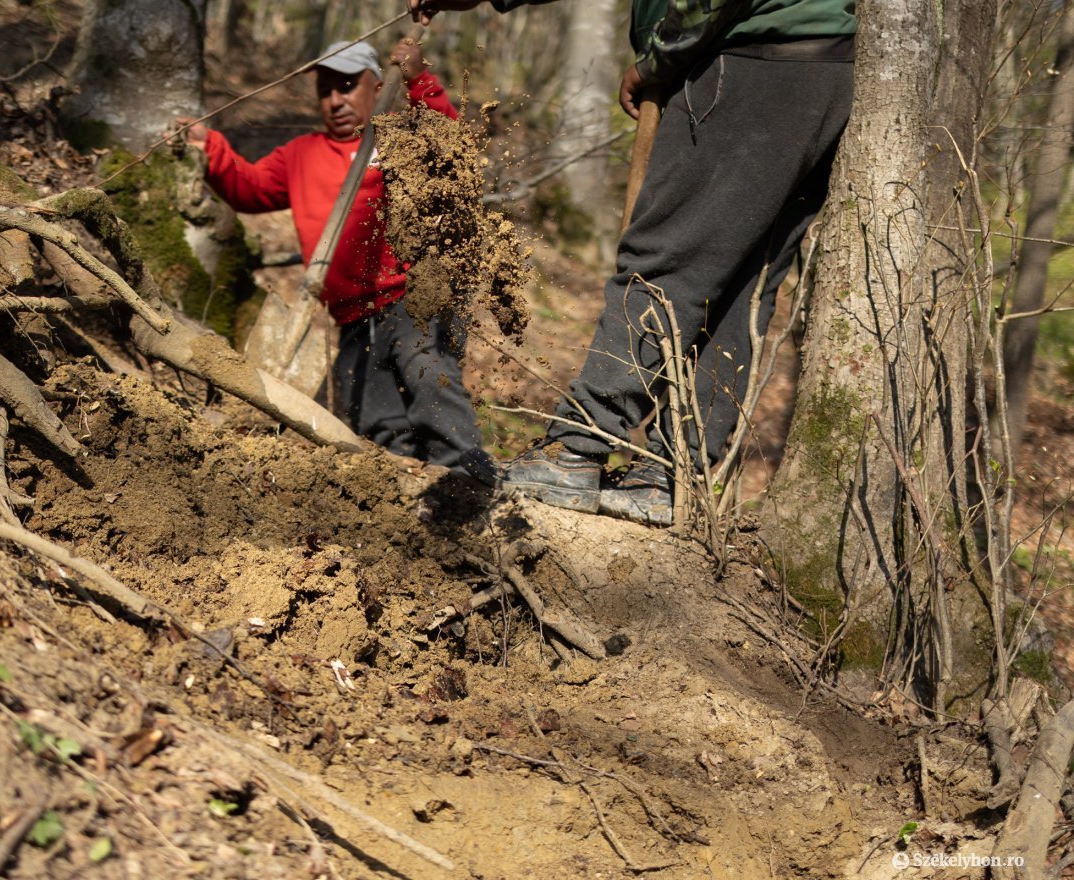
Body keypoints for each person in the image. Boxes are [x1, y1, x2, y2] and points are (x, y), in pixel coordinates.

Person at [408, 0, 855, 523]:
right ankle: (673, 476)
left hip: (750, 65)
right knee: (741, 288)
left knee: (664, 261)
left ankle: (577, 447)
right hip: (828, 73)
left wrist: (660, 57)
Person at [181, 39, 484, 469]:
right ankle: (405, 481)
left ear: (376, 88)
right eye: (327, 90)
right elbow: (249, 189)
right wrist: (208, 145)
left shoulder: (399, 136)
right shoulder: (300, 154)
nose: (336, 99)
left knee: (426, 372)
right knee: (370, 406)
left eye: (347, 86)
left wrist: (419, 79)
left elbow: (449, 143)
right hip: (352, 316)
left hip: (411, 299)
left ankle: (467, 467)